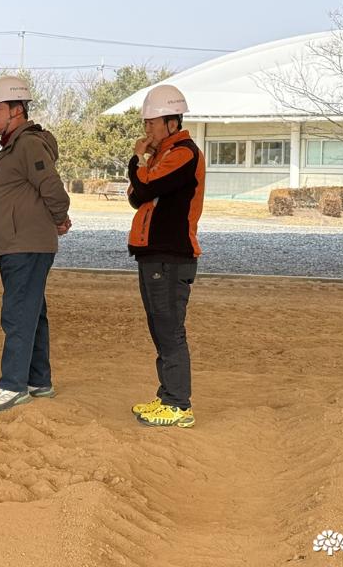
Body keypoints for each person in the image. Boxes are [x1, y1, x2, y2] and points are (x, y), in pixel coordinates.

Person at [0, 76, 72, 414]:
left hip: (25, 246)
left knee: (18, 312)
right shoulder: (15, 145)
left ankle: (12, 385)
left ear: (17, 110)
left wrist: (60, 217)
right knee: (33, 311)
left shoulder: (28, 144)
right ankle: (38, 380)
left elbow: (52, 187)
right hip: (19, 244)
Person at [126, 84, 206, 428]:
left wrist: (137, 159)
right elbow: (137, 197)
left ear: (172, 122)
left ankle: (178, 404)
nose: (147, 130)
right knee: (160, 327)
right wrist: (144, 164)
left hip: (171, 257)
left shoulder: (183, 153)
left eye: (152, 123)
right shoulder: (162, 155)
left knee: (170, 329)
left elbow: (145, 187)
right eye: (146, 123)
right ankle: (167, 395)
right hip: (154, 255)